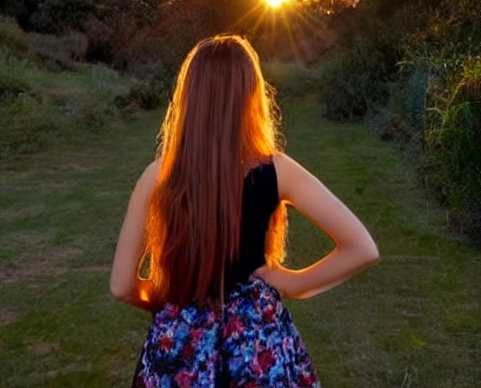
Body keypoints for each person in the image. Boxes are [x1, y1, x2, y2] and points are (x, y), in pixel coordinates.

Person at [110, 35, 379, 387]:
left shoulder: (157, 176)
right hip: (256, 344)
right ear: (251, 96)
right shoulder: (278, 171)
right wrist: (292, 282)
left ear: (190, 97)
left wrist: (173, 304)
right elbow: (361, 247)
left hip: (178, 349)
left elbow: (122, 286)